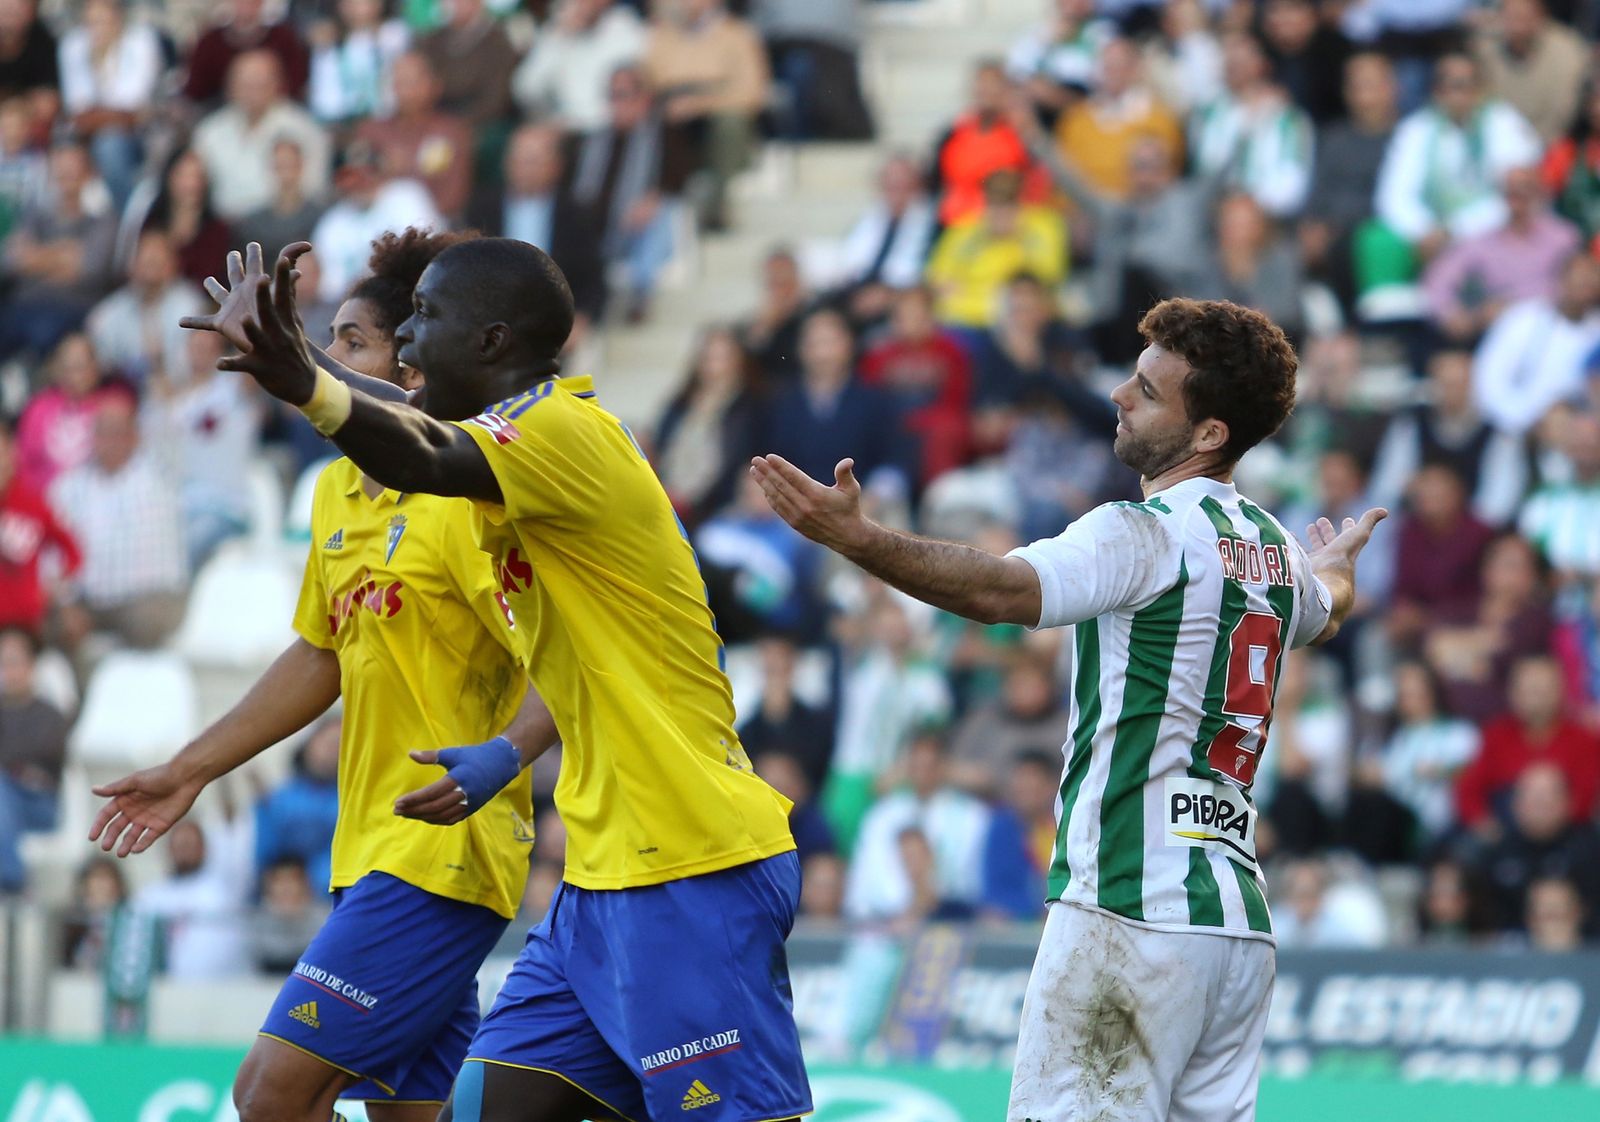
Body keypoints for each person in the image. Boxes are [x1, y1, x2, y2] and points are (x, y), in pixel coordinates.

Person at [181, 235, 808, 1122]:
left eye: (425, 321)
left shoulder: (564, 434)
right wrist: (302, 361)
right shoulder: (509, 451)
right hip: (595, 881)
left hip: (693, 860)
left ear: (491, 342)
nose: (404, 344)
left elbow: (421, 453)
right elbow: (417, 424)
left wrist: (301, 378)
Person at [751, 297, 1387, 1121]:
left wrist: (857, 539)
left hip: (1127, 912)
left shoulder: (1144, 534)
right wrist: (1334, 567)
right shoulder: (1271, 549)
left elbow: (998, 589)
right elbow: (1325, 607)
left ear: (1208, 436)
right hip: (1235, 930)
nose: (1120, 395)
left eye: (1149, 391)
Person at [91, 230, 557, 1122]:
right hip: (368, 845)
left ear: (411, 367)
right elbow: (319, 653)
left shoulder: (467, 500)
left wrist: (503, 757)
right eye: (331, 338)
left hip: (440, 854)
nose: (333, 357)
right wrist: (191, 769)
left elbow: (560, 656)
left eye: (353, 341)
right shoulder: (337, 491)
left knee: (269, 1097)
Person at [49, 396, 188, 651]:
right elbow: (52, 551)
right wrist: (65, 603)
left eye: (118, 432)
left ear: (135, 435)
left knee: (145, 621)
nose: (109, 441)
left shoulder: (159, 473)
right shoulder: (70, 487)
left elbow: (173, 425)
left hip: (147, 598)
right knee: (51, 625)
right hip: (87, 602)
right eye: (102, 432)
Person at [191, 50, 332, 223]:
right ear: (230, 86)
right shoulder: (209, 131)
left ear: (278, 84)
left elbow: (314, 190)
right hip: (221, 230)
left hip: (281, 229)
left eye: (259, 84)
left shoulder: (305, 129)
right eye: (244, 84)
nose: (251, 92)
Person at [354, 49, 474, 221]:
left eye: (413, 82)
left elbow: (454, 197)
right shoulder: (372, 131)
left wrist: (404, 172)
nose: (405, 90)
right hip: (376, 225)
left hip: (432, 228)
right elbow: (354, 188)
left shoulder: (451, 132)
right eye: (399, 82)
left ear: (435, 85)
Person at [0, 625, 69, 895]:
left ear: (31, 665)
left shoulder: (48, 715)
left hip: (39, 803)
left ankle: (11, 881)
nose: (7, 670)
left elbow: (44, 754)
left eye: (13, 661)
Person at [0, 420, 80, 634]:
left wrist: (53, 586)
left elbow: (73, 553)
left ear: (12, 454)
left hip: (27, 625)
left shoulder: (34, 505)